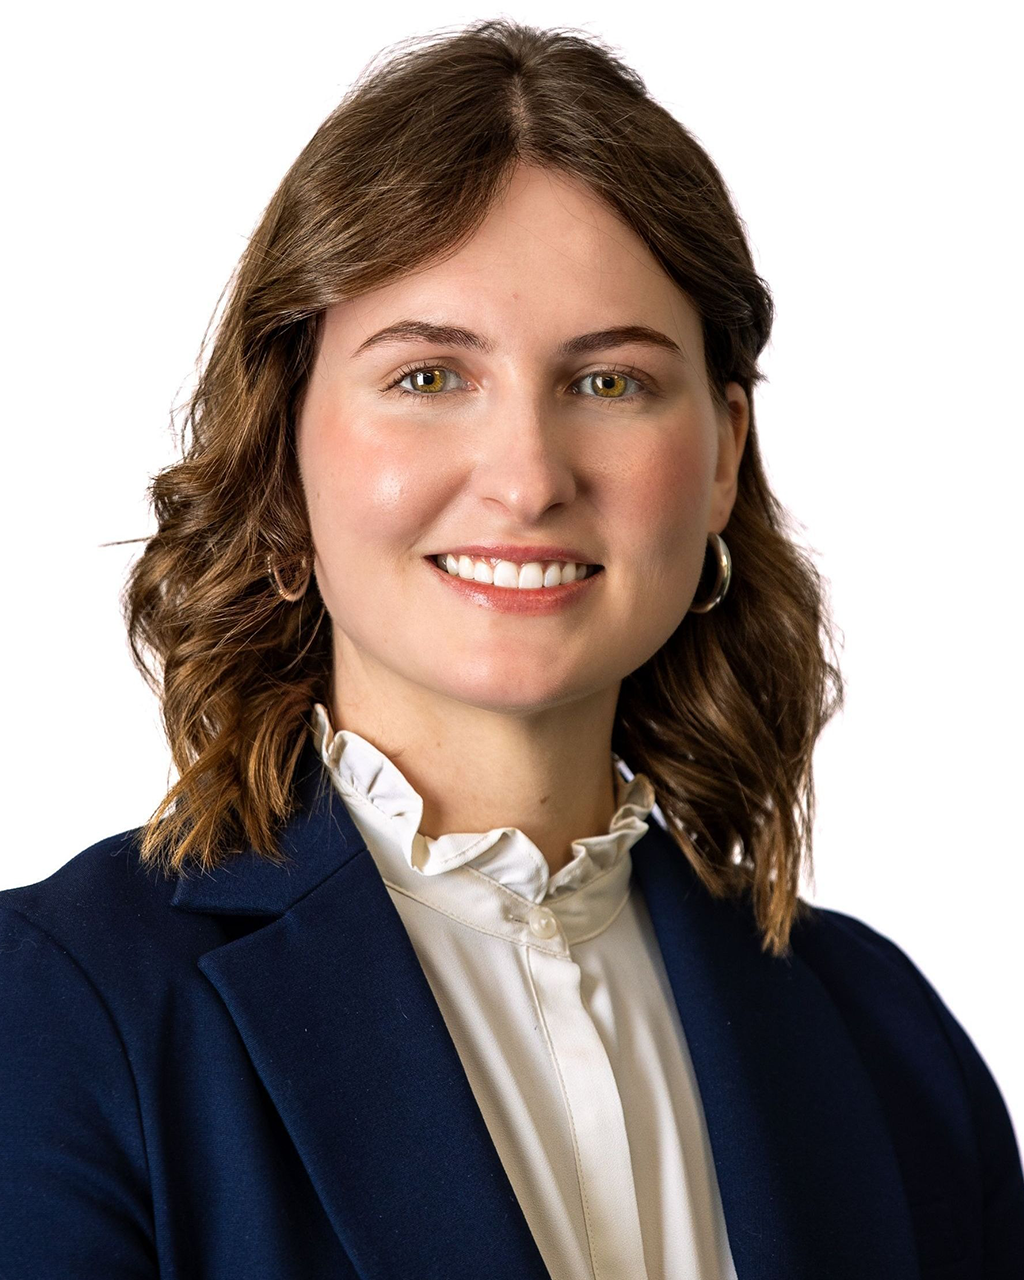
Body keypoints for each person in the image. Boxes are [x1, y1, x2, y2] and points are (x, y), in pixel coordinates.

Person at [1, 18, 1021, 1280]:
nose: (529, 479)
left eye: (611, 383)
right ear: (284, 446)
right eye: (429, 376)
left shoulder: (890, 1043)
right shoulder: (56, 1011)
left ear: (722, 457)